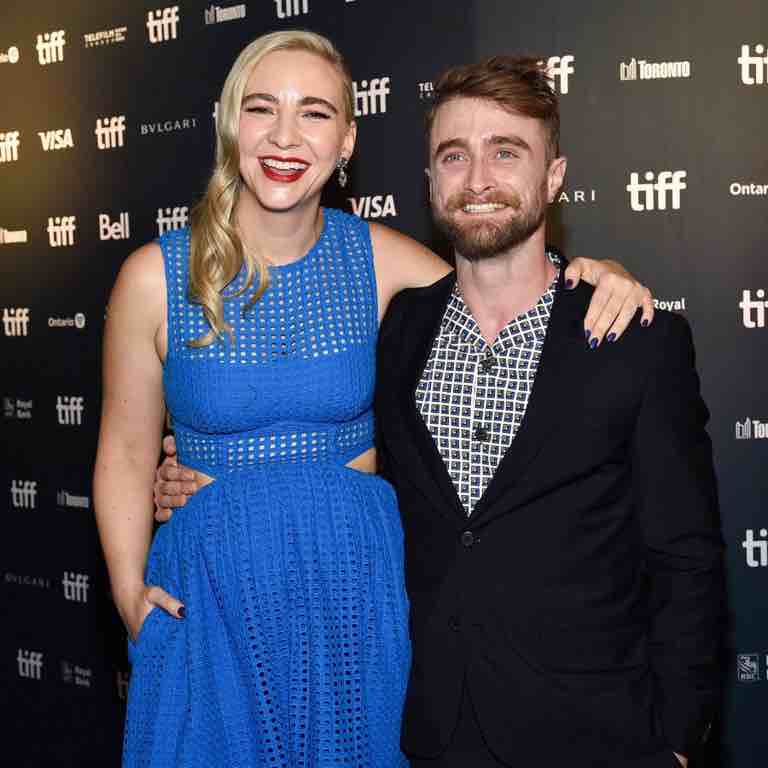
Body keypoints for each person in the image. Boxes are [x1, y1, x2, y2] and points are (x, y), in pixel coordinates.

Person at [99, 30, 651, 768]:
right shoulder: (152, 277)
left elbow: (513, 287)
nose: (285, 136)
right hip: (211, 599)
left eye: (315, 113)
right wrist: (128, 594)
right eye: (262, 109)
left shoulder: (382, 260)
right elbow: (126, 450)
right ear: (230, 125)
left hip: (353, 592)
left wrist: (599, 272)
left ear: (348, 141)